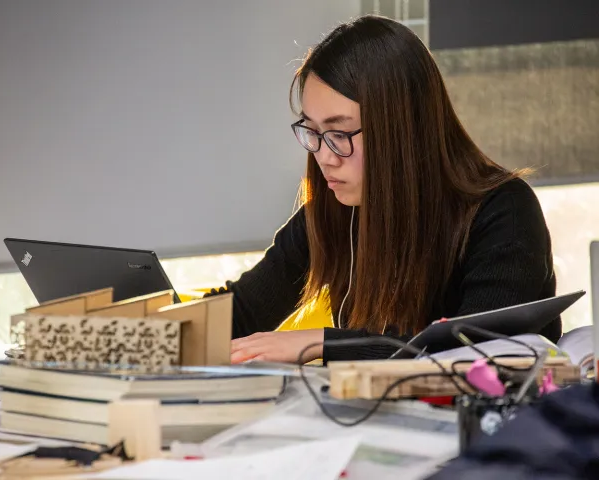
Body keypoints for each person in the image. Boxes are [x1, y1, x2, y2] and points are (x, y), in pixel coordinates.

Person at [212, 15, 557, 365]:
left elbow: (470, 355)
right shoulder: (334, 210)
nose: (324, 158)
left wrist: (322, 342)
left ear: (403, 130)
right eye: (312, 132)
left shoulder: (504, 212)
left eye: (339, 134)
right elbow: (240, 314)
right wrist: (161, 323)